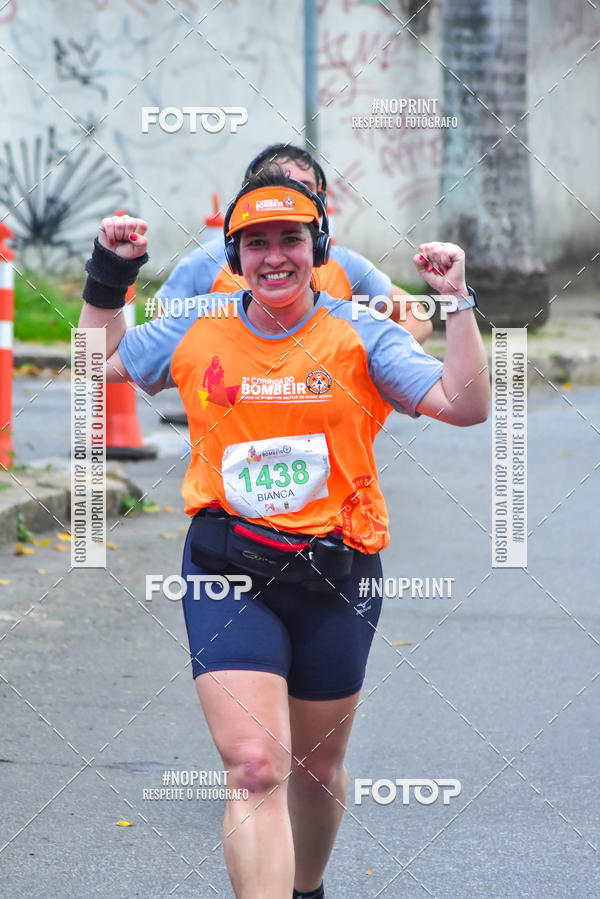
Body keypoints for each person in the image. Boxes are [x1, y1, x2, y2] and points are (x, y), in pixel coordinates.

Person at [79, 168, 489, 898]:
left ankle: (307, 888)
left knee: (315, 767)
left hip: (339, 570)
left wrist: (455, 300)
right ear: (233, 257)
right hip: (227, 566)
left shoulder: (357, 330)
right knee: (257, 765)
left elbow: (463, 404)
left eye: (290, 240)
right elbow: (93, 366)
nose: (275, 257)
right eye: (256, 243)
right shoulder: (197, 327)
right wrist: (110, 275)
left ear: (316, 247)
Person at [158, 142, 432, 343]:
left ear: (321, 201)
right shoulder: (205, 263)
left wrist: (376, 360)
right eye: (284, 185)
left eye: (305, 187)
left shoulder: (344, 264)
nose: (293, 196)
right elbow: (161, 326)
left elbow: (417, 314)